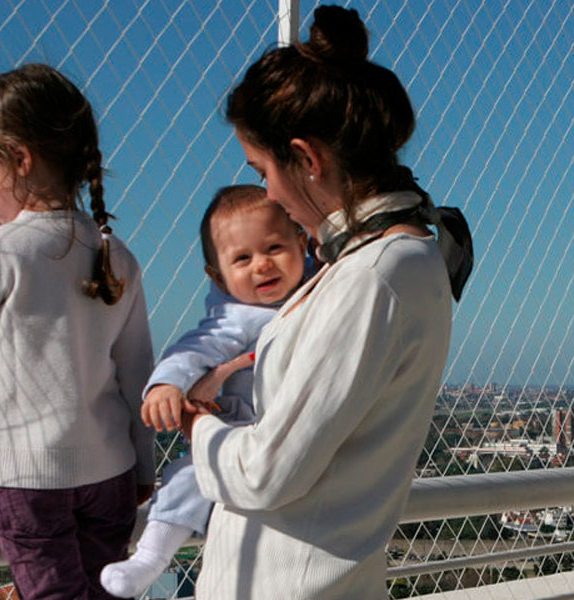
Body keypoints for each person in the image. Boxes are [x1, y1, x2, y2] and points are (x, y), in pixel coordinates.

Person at [181, 6, 473, 599]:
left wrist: (198, 427)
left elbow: (267, 472)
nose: (267, 192)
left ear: (308, 159)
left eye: (263, 169)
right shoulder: (394, 257)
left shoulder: (375, 276)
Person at [0, 63, 155, 600]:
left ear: (19, 158)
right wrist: (143, 467)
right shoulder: (117, 255)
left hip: (27, 479)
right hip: (111, 472)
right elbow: (137, 375)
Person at [100, 184, 311, 598]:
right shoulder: (238, 318)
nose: (262, 266)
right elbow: (195, 348)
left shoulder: (320, 291)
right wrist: (166, 384)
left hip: (291, 428)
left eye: (275, 248)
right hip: (237, 428)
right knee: (187, 476)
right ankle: (150, 558)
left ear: (303, 244)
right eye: (242, 258)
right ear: (218, 276)